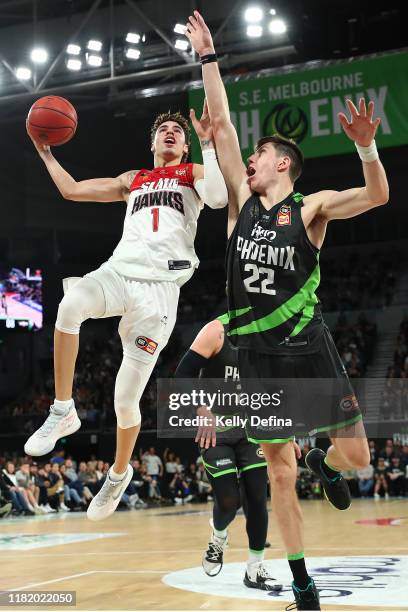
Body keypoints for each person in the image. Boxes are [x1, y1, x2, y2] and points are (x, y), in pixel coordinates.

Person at [184, 11, 388, 610]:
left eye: (262, 151)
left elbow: (377, 195)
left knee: (357, 461)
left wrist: (366, 147)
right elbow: (219, 121)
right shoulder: (241, 202)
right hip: (256, 359)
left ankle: (322, 454)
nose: (250, 156)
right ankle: (300, 577)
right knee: (277, 473)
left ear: (284, 164)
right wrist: (208, 56)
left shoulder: (310, 208)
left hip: (309, 347)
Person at [23, 102, 228, 521]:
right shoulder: (133, 179)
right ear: (152, 141)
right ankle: (62, 411)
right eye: (163, 129)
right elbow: (72, 190)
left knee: (124, 401)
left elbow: (221, 197)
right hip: (118, 271)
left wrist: (208, 143)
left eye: (177, 130)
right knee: (70, 306)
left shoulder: (194, 173)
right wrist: (45, 152)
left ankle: (118, 475)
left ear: (185, 145)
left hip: (160, 292)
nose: (170, 132)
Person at [175, 317, 283, 592]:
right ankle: (218, 536)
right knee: (229, 502)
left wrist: (285, 430)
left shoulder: (265, 334)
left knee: (257, 498)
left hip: (251, 428)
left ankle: (255, 569)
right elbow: (182, 374)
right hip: (216, 429)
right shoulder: (214, 331)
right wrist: (200, 409)